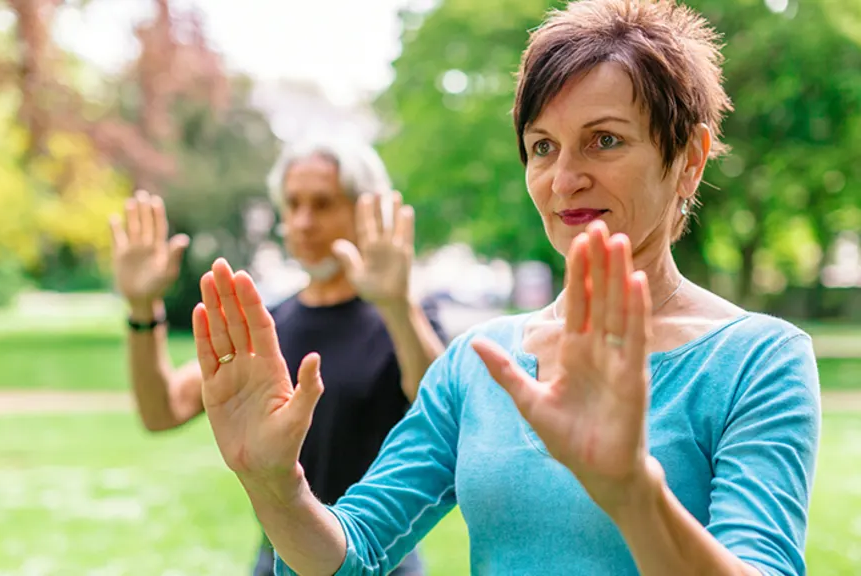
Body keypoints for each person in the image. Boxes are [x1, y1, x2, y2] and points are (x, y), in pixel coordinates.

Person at [191, 1, 821, 574]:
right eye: (542, 147)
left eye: (605, 140)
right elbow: (353, 553)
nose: (565, 178)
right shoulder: (478, 363)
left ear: (689, 156)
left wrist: (633, 493)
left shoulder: (756, 361)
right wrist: (276, 487)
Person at [108, 137, 446, 576]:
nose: (303, 222)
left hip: (381, 559)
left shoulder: (405, 319)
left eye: (323, 204)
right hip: (278, 560)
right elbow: (162, 411)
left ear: (366, 211)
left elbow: (442, 406)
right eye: (293, 204)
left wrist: (397, 305)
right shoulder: (270, 325)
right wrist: (141, 309)